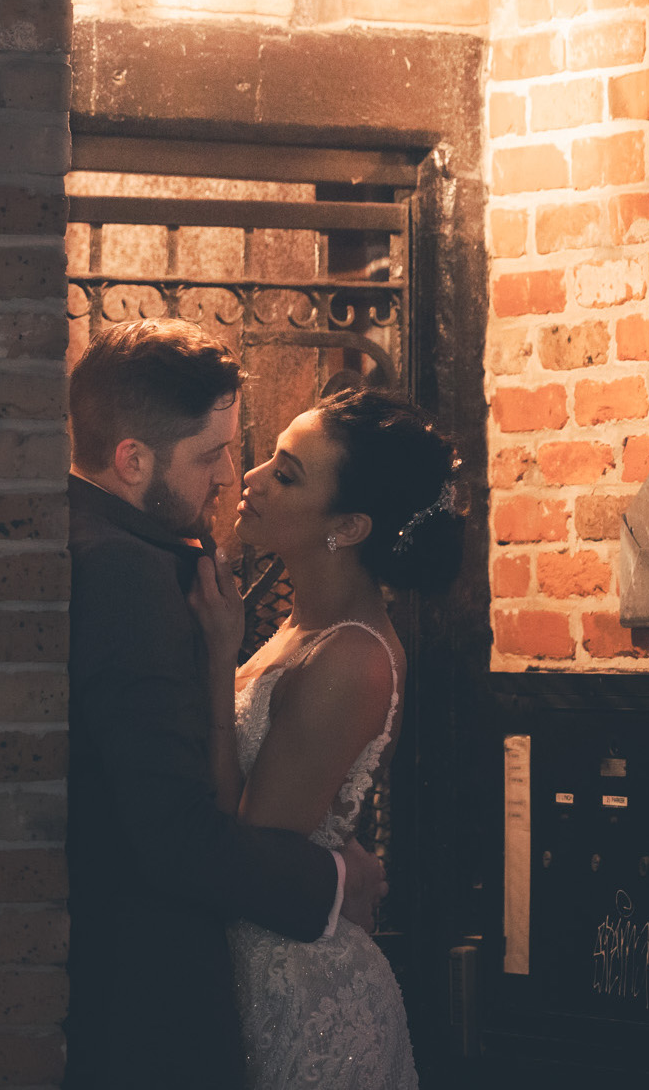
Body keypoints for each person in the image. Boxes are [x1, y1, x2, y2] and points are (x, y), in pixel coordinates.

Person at [64, 319, 386, 1090]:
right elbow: (170, 837)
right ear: (132, 458)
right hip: (147, 996)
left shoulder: (97, 539)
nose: (230, 475)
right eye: (211, 453)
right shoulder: (126, 576)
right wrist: (337, 879)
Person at [190, 386, 465, 1090]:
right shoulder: (300, 626)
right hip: (251, 967)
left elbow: (247, 844)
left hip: (302, 991)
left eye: (285, 473)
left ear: (347, 525)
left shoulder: (350, 655)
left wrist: (219, 657)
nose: (247, 479)